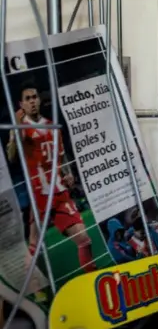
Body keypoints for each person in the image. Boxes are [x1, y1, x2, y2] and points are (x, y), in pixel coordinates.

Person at [6, 82, 95, 273]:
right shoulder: (22, 130)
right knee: (34, 248)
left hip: (60, 193)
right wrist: (15, 130)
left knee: (84, 239)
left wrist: (68, 172)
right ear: (21, 104)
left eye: (34, 97)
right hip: (40, 197)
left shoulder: (52, 127)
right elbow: (12, 157)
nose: (32, 102)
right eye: (27, 99)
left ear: (39, 100)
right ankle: (33, 291)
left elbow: (61, 156)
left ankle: (92, 278)